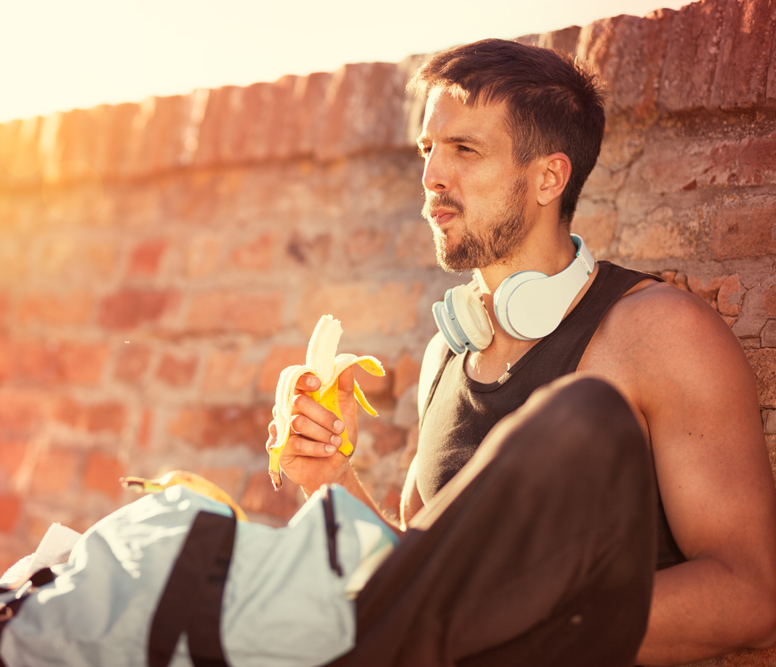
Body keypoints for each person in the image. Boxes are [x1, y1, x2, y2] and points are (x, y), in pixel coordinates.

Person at [266, 38, 776, 665]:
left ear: (548, 178)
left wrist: (521, 629)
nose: (430, 177)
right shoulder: (445, 357)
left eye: (464, 150)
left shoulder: (661, 334)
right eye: (429, 150)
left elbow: (752, 595)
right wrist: (333, 481)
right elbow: (422, 588)